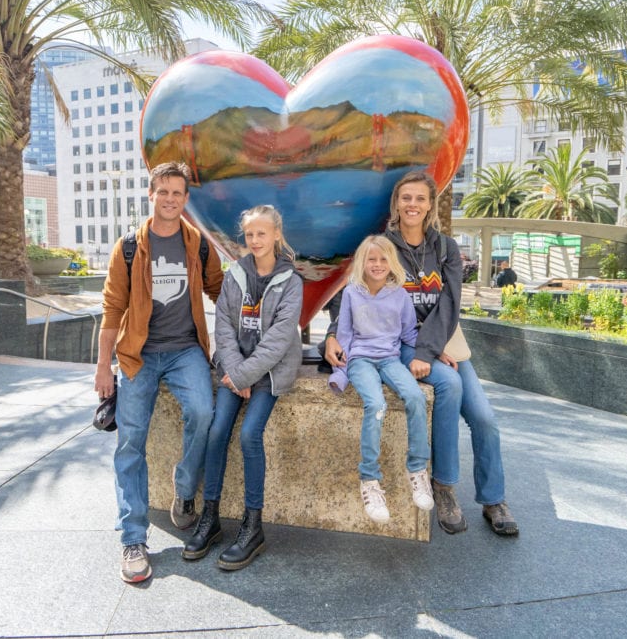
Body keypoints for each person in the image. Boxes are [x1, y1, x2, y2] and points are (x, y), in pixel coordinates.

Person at [325, 170, 519, 537]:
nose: (412, 205)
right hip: (395, 344)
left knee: (485, 418)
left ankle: (493, 498)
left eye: (420, 199)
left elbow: (450, 302)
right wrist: (334, 333)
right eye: (406, 198)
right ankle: (444, 486)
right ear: (397, 204)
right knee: (449, 387)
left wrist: (429, 350)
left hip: (442, 342)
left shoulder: (445, 248)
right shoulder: (381, 246)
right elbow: (349, 289)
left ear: (431, 205)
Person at [95, 161, 224, 584]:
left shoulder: (199, 245)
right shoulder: (129, 246)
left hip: (186, 349)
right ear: (150, 195)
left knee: (203, 414)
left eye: (177, 193)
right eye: (162, 192)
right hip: (138, 354)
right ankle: (133, 538)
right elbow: (112, 308)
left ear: (186, 200)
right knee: (130, 441)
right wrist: (103, 367)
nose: (170, 199)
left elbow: (222, 293)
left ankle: (184, 489)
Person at [182, 205, 303, 570]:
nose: (255, 241)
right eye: (249, 235)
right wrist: (234, 372)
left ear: (276, 236)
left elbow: (279, 340)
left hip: (268, 373)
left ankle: (253, 526)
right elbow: (224, 326)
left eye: (261, 234)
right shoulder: (234, 276)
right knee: (217, 431)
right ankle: (211, 517)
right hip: (235, 370)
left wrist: (247, 376)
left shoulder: (291, 282)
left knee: (250, 434)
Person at [329, 235, 434, 523]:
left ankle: (417, 471)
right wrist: (340, 371)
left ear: (392, 263)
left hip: (390, 358)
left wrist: (433, 352)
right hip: (361, 359)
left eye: (383, 259)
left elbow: (409, 334)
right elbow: (345, 335)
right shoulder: (351, 293)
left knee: (415, 397)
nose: (377, 264)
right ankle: (370, 481)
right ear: (362, 263)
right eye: (371, 259)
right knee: (376, 404)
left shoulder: (400, 295)